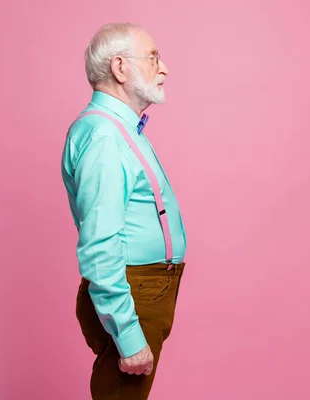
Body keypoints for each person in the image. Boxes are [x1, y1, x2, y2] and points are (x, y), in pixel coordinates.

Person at [60, 22, 187, 399]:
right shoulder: (105, 137)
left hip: (142, 288)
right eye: (152, 57)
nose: (164, 68)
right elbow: (100, 245)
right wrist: (129, 335)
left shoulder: (118, 130)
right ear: (119, 68)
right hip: (133, 291)